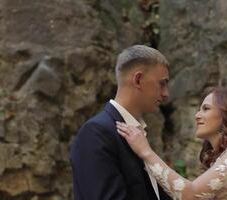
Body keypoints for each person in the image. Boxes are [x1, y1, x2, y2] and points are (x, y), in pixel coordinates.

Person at [116, 87, 227, 200]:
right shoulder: (225, 157)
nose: (197, 115)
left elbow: (190, 195)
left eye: (206, 109)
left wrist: (146, 152)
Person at [70, 45, 173, 200]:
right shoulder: (96, 133)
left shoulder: (137, 135)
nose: (166, 94)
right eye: (162, 83)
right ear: (138, 80)